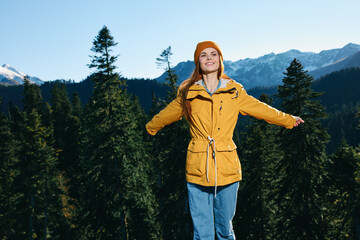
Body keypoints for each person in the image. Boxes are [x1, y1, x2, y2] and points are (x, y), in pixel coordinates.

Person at [146, 41, 304, 240]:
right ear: (198, 62)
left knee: (225, 230)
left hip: (227, 167)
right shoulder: (188, 94)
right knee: (202, 233)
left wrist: (289, 120)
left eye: (214, 53)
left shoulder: (234, 92)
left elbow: (263, 109)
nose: (209, 57)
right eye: (203, 55)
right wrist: (149, 128)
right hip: (197, 168)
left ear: (220, 59)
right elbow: (166, 115)